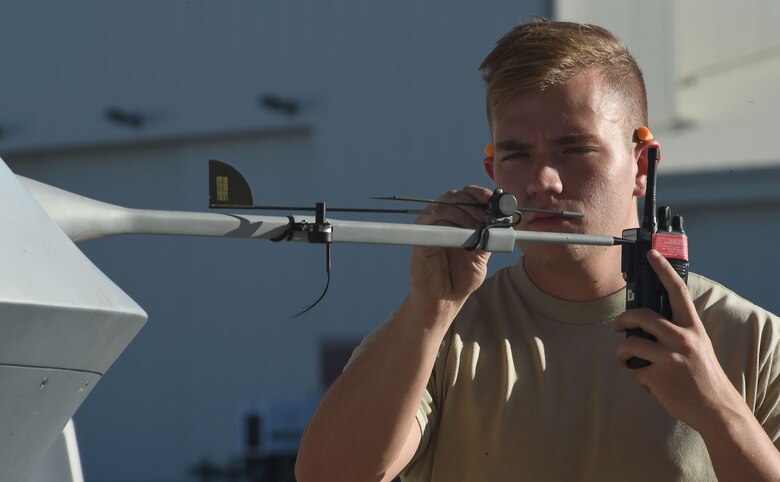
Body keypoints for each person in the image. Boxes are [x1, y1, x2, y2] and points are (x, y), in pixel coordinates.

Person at [295, 18, 780, 482]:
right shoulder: (443, 332)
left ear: (642, 165)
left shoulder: (750, 340)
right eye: (516, 155)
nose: (541, 181)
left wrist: (719, 412)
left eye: (575, 149)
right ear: (492, 174)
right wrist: (429, 310)